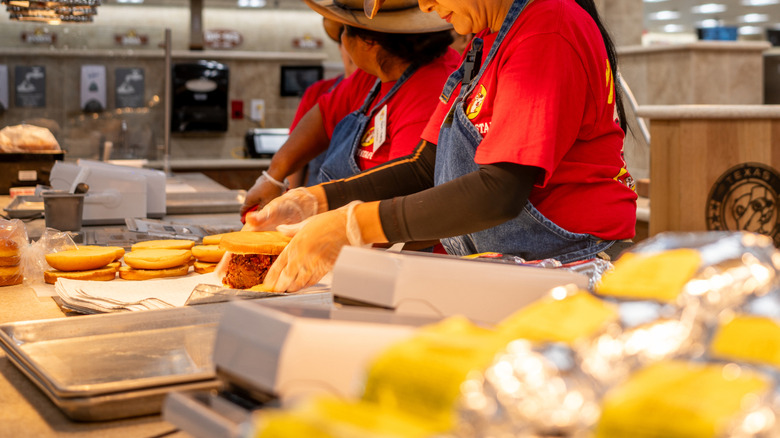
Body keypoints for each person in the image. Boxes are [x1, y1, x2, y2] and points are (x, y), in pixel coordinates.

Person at [244, 0, 638, 292]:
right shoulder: (485, 41)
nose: (426, 6)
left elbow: (500, 192)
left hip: (565, 270)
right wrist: (315, 200)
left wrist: (353, 226)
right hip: (502, 270)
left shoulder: (548, 27)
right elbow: (424, 165)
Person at [239, 0, 459, 217]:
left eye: (344, 30)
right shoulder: (373, 75)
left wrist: (333, 227)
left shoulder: (429, 91)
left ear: (368, 40)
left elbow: (407, 198)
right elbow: (325, 114)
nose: (342, 41)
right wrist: (272, 177)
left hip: (396, 246)